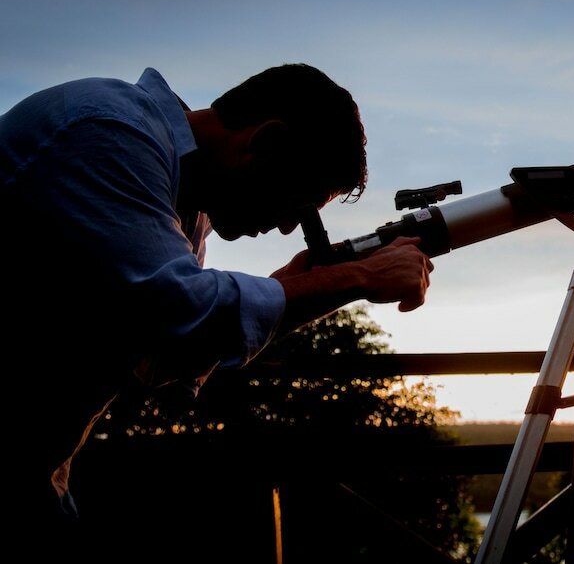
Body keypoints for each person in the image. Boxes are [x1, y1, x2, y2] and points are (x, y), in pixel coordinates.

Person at [0, 64, 433, 549]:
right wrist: (356, 278)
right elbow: (182, 314)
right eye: (298, 202)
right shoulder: (108, 131)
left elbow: (162, 357)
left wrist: (293, 286)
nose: (289, 227)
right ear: (265, 142)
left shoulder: (187, 207)